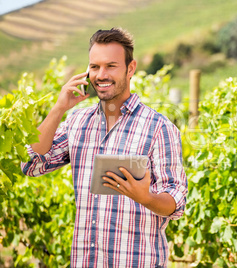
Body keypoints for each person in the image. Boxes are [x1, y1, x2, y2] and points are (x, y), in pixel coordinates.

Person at [21, 27, 187, 267]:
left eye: (111, 66)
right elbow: (31, 163)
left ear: (130, 69)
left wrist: (146, 197)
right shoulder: (77, 122)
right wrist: (58, 109)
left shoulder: (159, 128)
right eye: (95, 67)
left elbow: (176, 200)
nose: (101, 75)